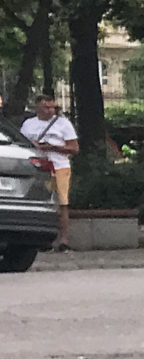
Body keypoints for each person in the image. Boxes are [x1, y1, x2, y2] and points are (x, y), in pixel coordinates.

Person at [16, 93, 76, 250]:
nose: (49, 111)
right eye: (46, 107)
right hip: (37, 167)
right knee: (41, 202)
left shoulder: (63, 124)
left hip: (59, 166)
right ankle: (42, 240)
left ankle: (63, 239)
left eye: (52, 107)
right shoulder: (28, 125)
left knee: (62, 203)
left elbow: (74, 148)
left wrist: (53, 147)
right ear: (37, 107)